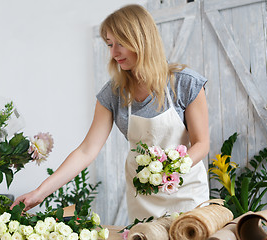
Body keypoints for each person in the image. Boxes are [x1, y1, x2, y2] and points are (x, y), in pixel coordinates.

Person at [11, 4, 210, 221]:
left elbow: (201, 144)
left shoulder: (185, 83)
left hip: (186, 193)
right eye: (109, 44)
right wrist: (39, 193)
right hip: (144, 199)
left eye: (120, 43)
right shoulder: (114, 94)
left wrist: (167, 171)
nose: (114, 53)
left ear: (142, 40)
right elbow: (86, 151)